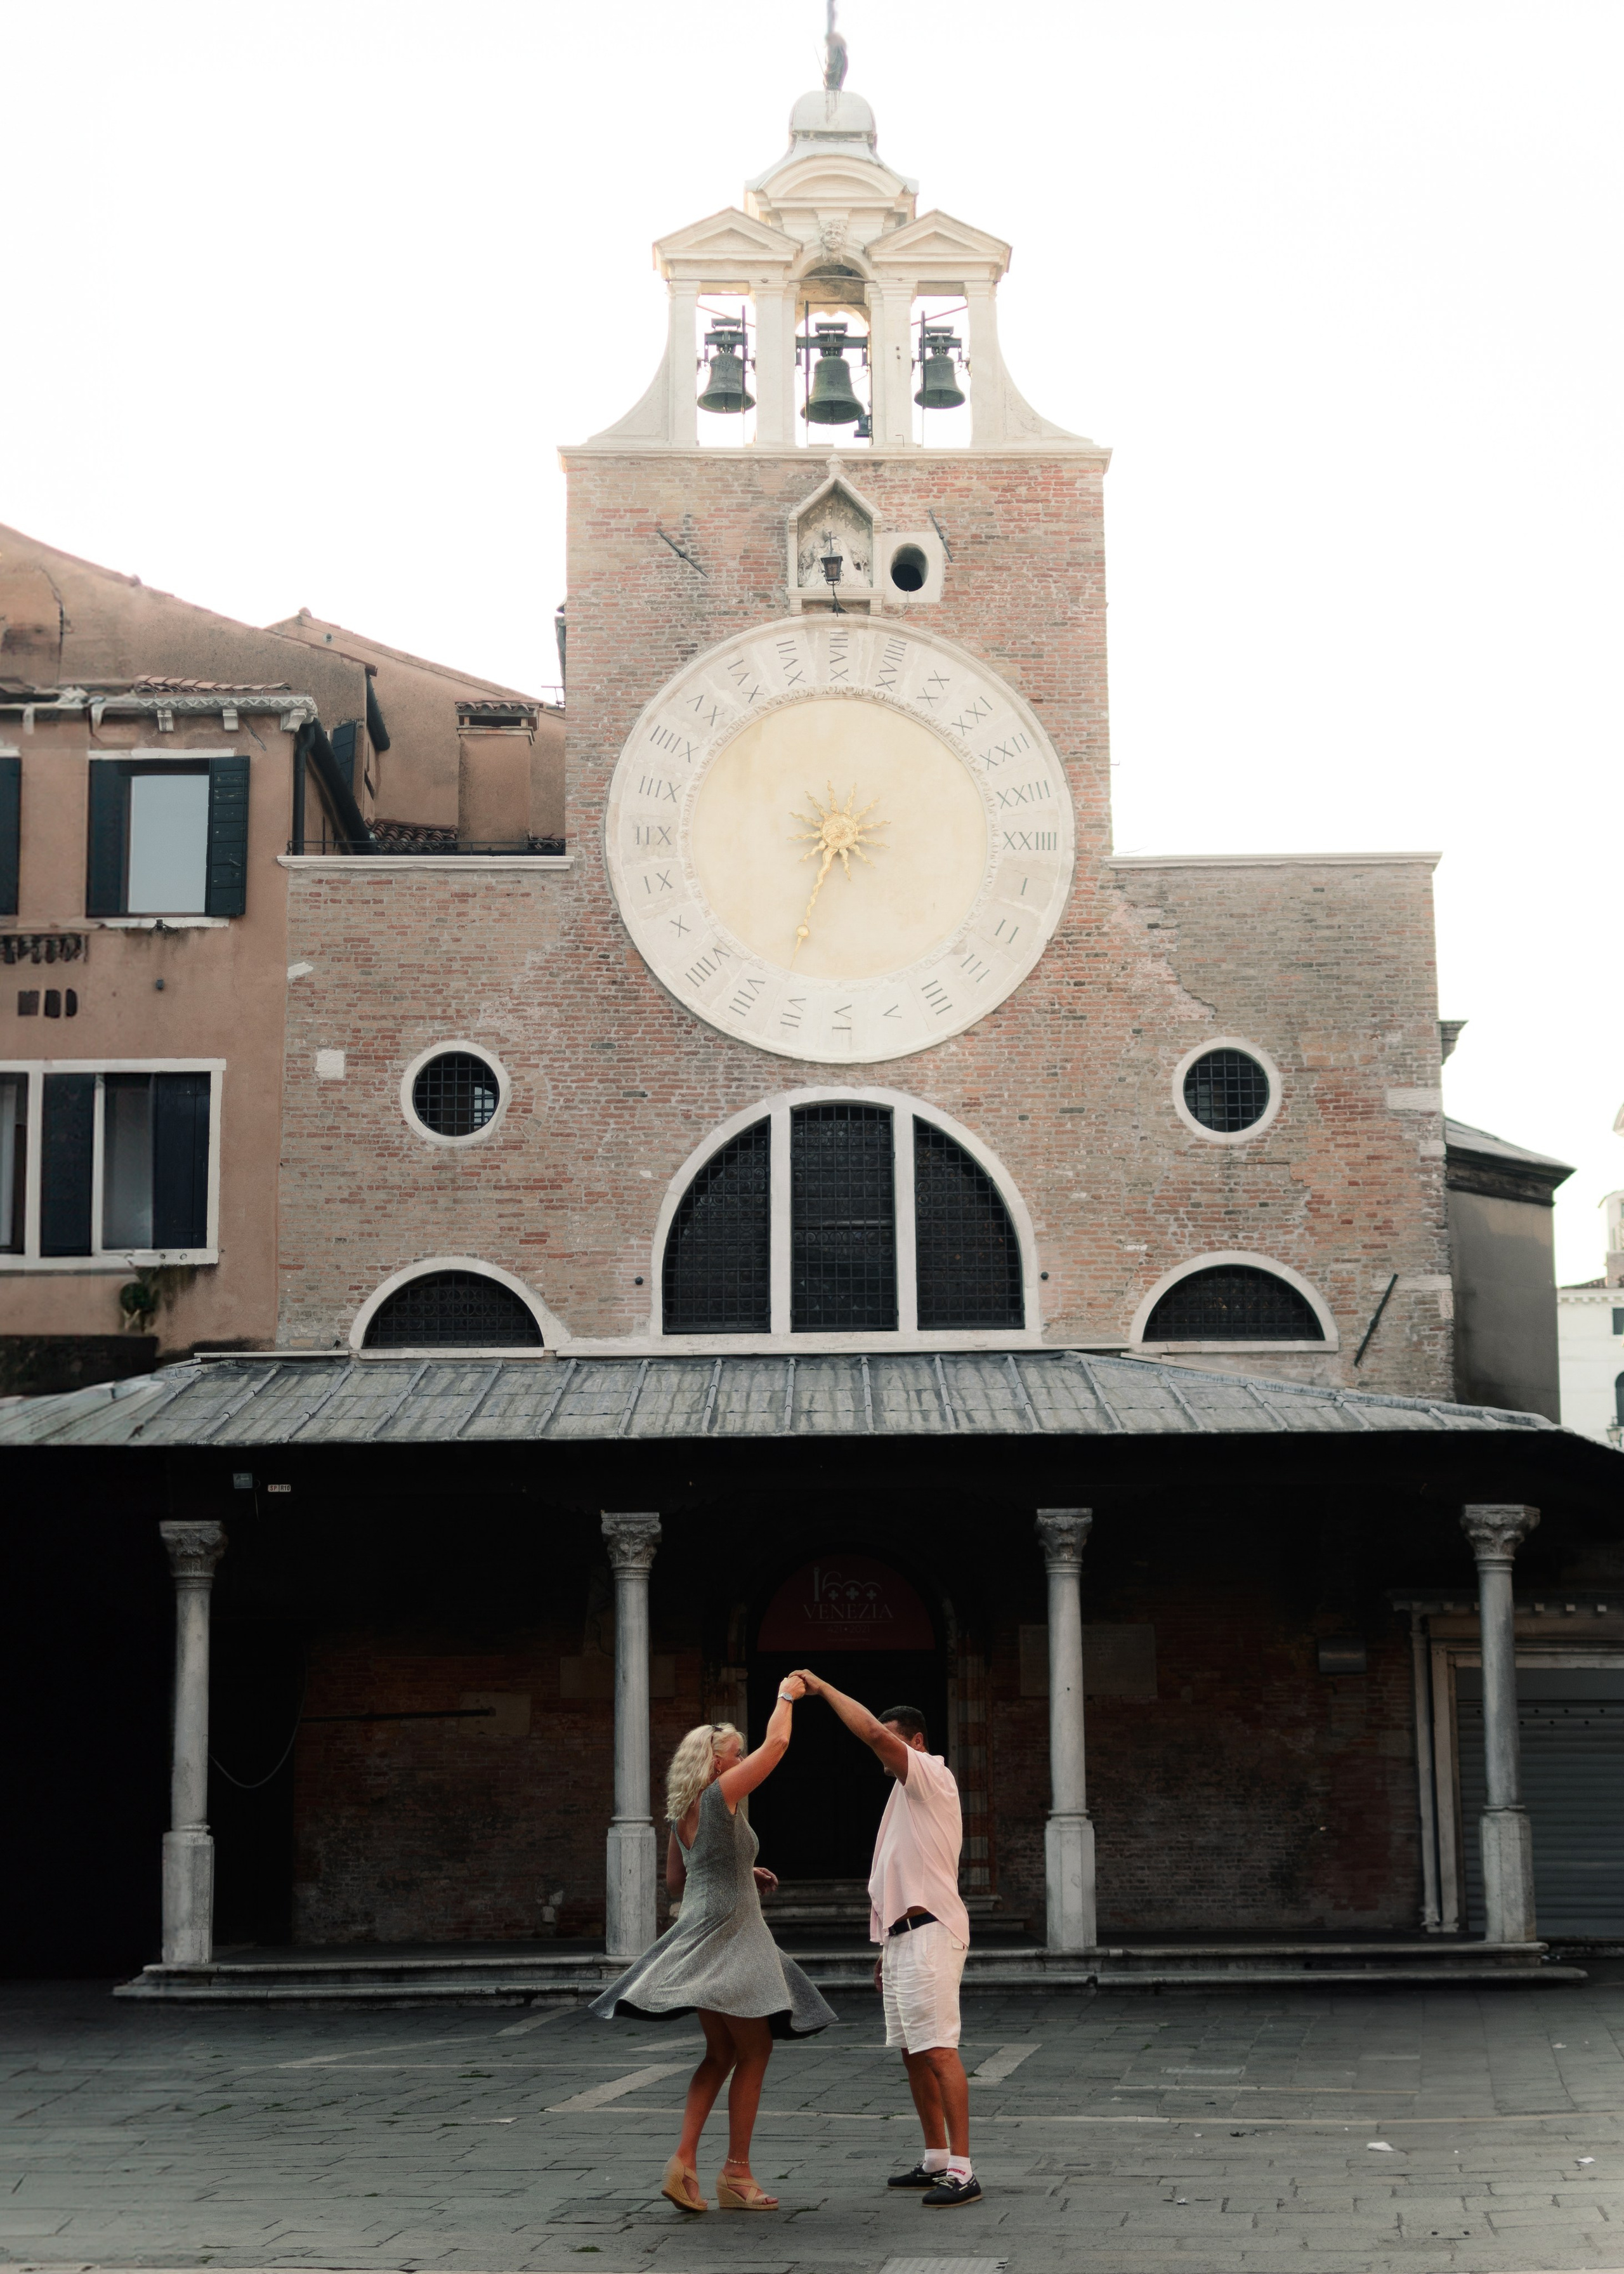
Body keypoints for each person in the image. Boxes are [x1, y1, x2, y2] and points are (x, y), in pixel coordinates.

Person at [589, 1678, 835, 2214]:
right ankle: (736, 2176)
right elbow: (779, 1746)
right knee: (755, 2051)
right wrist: (787, 1696)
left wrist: (740, 1870)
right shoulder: (723, 1796)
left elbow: (678, 1882)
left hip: (703, 1932)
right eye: (736, 1753)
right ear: (718, 1764)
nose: (744, 1758)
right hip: (732, 1937)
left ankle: (683, 2164)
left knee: (721, 2053)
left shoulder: (686, 1810)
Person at [792, 1671, 980, 2209]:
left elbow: (874, 1733)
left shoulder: (931, 1775)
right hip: (903, 1938)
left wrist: (824, 1690)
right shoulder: (902, 1795)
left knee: (940, 2049)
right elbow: (898, 1871)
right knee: (912, 2052)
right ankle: (937, 2158)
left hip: (932, 1931)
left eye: (896, 1738)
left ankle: (965, 2171)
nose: (884, 1746)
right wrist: (885, 1947)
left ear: (916, 1742)